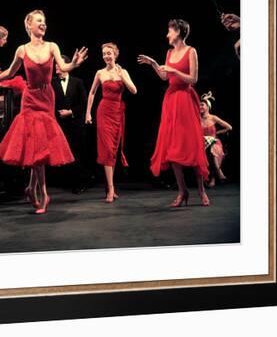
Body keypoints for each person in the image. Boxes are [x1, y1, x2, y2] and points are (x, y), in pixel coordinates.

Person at [0, 9, 88, 214]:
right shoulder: (22, 50)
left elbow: (64, 65)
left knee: (39, 145)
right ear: (29, 25)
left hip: (46, 97)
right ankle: (43, 192)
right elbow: (10, 72)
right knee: (35, 144)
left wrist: (74, 63)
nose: (43, 24)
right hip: (30, 99)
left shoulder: (52, 46)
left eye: (45, 21)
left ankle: (31, 188)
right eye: (39, 21)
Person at [137, 19, 210, 207]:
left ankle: (201, 191)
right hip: (171, 101)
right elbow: (164, 76)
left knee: (192, 144)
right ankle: (182, 191)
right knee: (172, 147)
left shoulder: (191, 51)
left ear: (178, 31)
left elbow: (192, 79)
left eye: (169, 31)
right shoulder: (169, 52)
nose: (167, 34)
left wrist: (174, 70)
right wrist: (154, 63)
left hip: (186, 99)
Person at [85, 43, 137, 203]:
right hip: (103, 112)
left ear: (115, 54)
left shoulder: (123, 72)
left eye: (109, 53)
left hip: (117, 113)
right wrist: (88, 112)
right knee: (107, 149)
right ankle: (111, 189)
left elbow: (134, 90)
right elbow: (92, 92)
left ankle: (109, 186)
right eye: (104, 54)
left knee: (113, 150)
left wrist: (122, 77)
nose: (106, 56)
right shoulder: (100, 73)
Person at [51, 55, 91, 194]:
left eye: (59, 64)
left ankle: (80, 183)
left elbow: (84, 102)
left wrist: (71, 112)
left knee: (76, 153)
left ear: (67, 65)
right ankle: (64, 182)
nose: (56, 67)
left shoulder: (77, 82)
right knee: (61, 154)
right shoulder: (51, 83)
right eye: (55, 64)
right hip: (58, 124)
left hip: (75, 123)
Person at [200, 91, 233, 187]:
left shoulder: (213, 118)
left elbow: (229, 127)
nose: (200, 107)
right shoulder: (197, 119)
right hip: (202, 143)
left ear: (207, 106)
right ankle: (218, 174)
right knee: (209, 150)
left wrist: (216, 133)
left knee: (213, 148)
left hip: (215, 142)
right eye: (199, 105)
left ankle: (215, 177)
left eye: (202, 105)